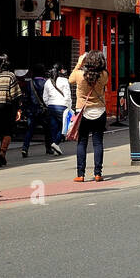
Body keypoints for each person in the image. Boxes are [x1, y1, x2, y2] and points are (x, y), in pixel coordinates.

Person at [69, 51, 108, 181]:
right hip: (100, 111)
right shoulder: (103, 75)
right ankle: (98, 173)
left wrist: (79, 63)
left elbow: (70, 79)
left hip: (82, 112)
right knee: (98, 143)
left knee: (82, 142)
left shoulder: (80, 75)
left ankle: (80, 174)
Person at [20, 64, 49, 158]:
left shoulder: (30, 83)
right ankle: (48, 148)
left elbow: (26, 98)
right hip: (43, 111)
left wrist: (24, 110)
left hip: (32, 110)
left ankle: (25, 148)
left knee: (30, 130)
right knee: (47, 130)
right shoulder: (46, 83)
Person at [42, 64, 71, 155]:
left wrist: (48, 104)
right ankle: (56, 143)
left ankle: (55, 149)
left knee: (54, 128)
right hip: (62, 106)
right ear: (60, 71)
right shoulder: (64, 81)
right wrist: (69, 107)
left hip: (51, 106)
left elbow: (45, 97)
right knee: (66, 127)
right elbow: (67, 96)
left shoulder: (47, 82)